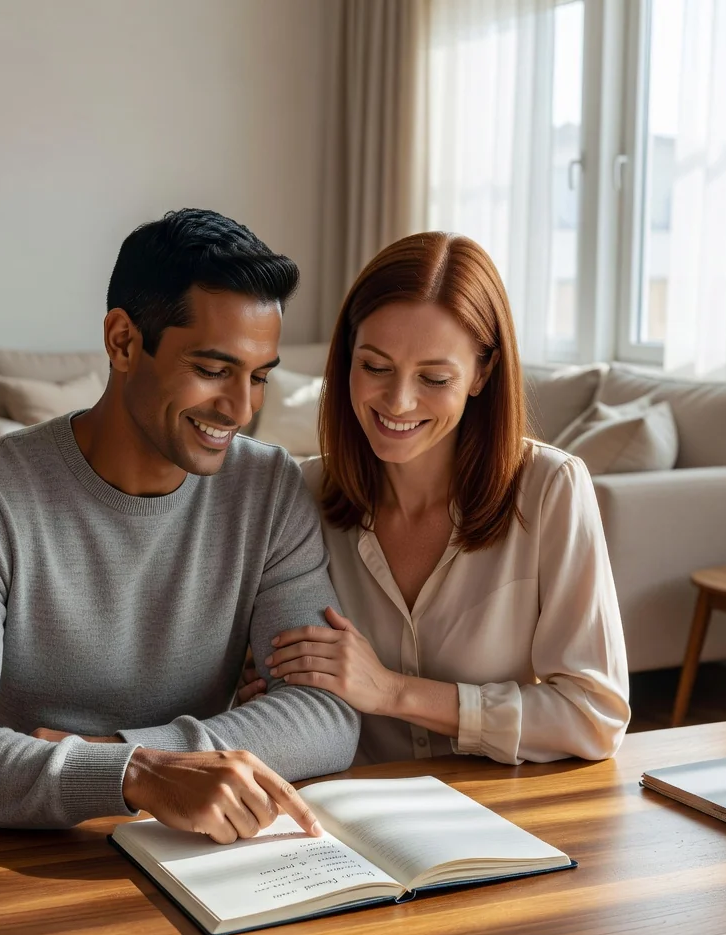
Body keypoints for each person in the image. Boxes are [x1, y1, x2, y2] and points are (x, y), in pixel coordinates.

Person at [0, 209, 359, 841]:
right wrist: (136, 774)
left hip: (193, 850)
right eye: (214, 370)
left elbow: (326, 713)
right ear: (124, 341)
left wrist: (129, 755)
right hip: (20, 854)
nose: (241, 409)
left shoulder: (269, 488)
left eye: (260, 377)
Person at [240, 231, 630, 765]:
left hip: (504, 817)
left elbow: (594, 716)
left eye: (434, 377)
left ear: (482, 373)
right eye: (374, 367)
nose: (398, 401)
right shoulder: (301, 494)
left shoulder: (550, 489)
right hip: (344, 819)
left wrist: (392, 691)